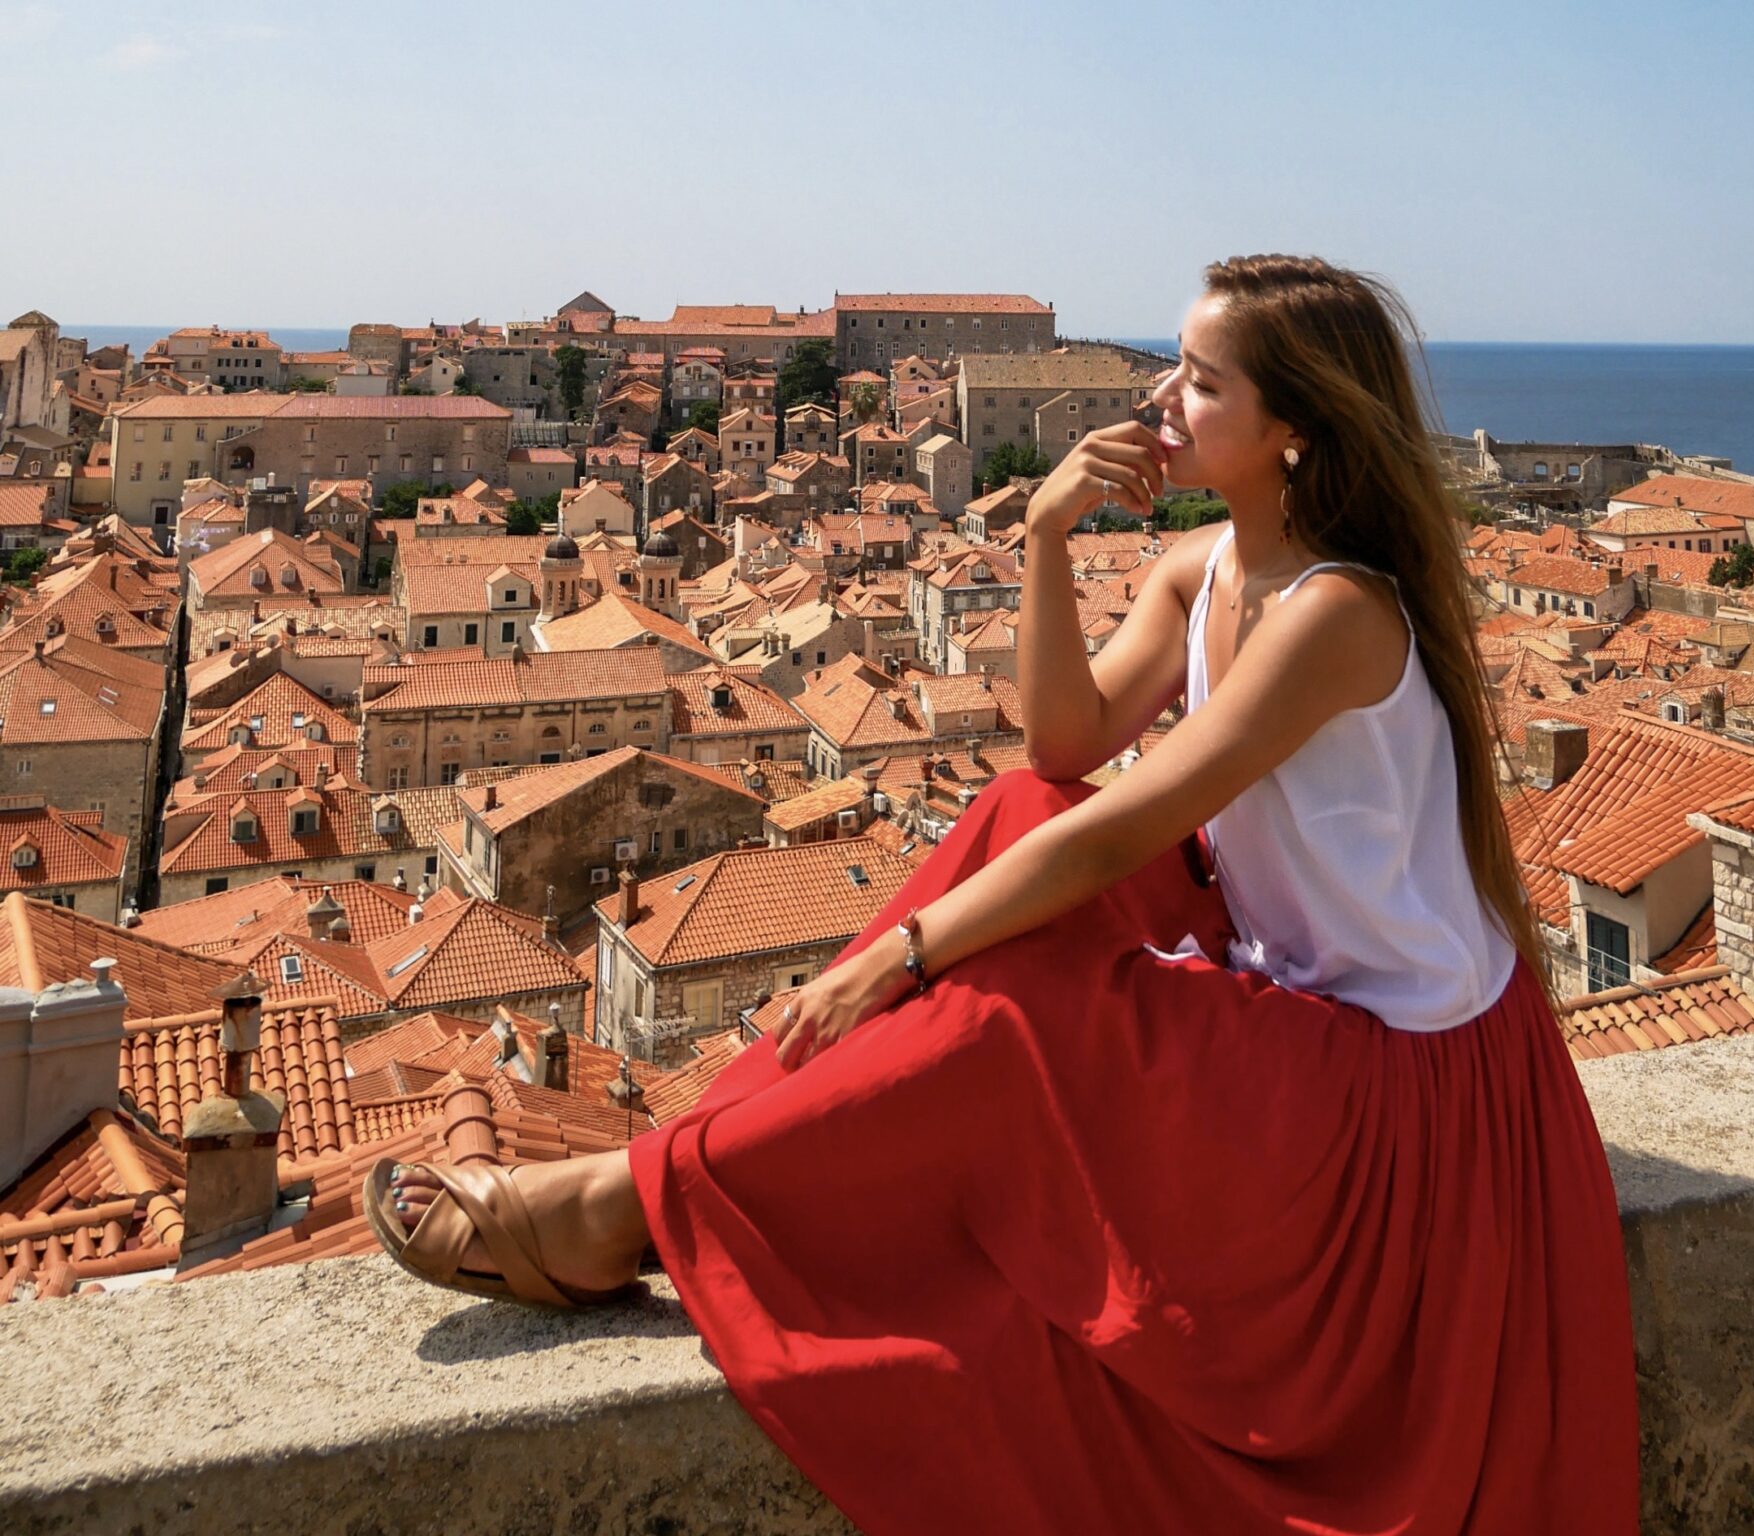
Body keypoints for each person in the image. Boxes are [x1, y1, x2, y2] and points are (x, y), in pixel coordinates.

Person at [367, 254, 1641, 1535]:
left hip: (1399, 1080)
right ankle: (679, 1170)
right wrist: (1043, 534)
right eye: (1172, 366)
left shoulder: (1336, 615)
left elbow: (1123, 830)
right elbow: (1064, 751)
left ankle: (622, 1206)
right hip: (1298, 1002)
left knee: (1006, 1008)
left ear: (1294, 431)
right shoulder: (1203, 569)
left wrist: (898, 955)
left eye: (1200, 383)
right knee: (1013, 811)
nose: (1159, 399)